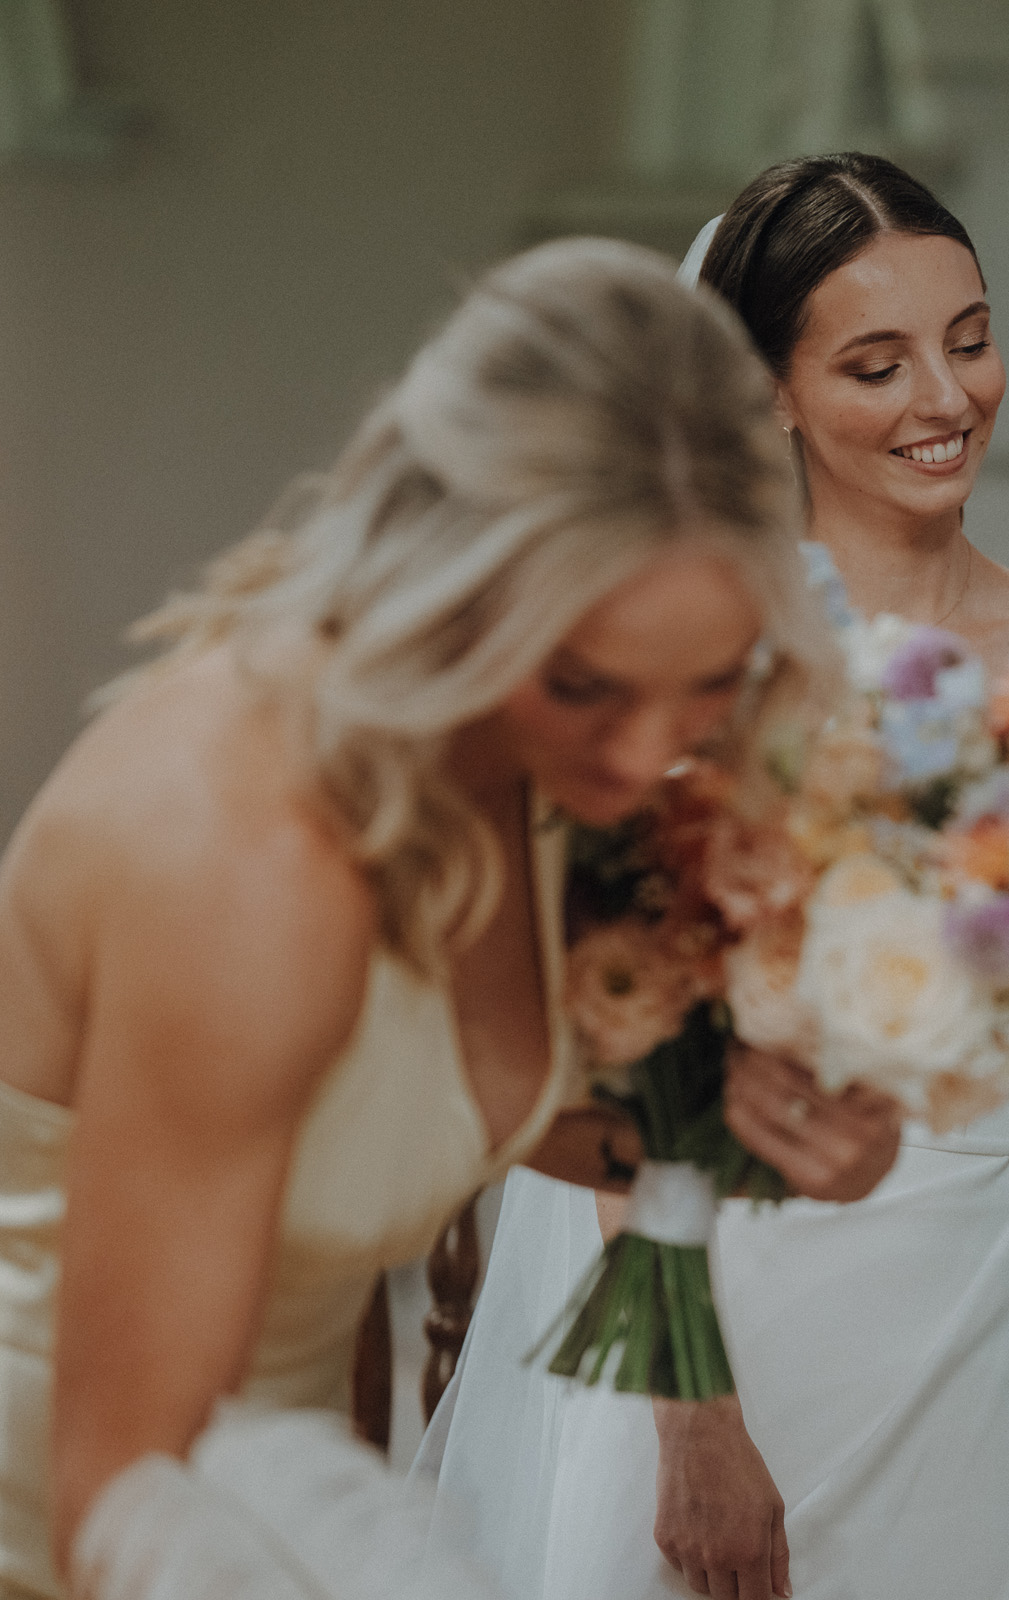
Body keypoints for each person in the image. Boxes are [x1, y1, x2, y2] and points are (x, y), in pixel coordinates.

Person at [0, 237, 903, 1600]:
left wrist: (737, 1120)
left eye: (705, 681)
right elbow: (130, 1486)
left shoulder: (514, 755)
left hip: (300, 1494)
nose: (636, 757)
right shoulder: (245, 861)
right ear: (456, 584)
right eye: (589, 684)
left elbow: (410, 1097)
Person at [423, 153, 1009, 1600]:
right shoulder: (699, 660)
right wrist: (692, 1429)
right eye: (877, 365)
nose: (946, 401)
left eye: (969, 339)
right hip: (734, 1307)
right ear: (771, 392)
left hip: (989, 1307)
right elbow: (624, 1060)